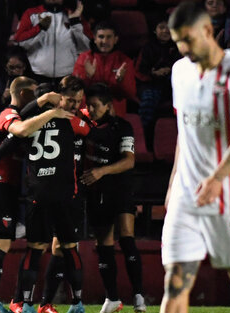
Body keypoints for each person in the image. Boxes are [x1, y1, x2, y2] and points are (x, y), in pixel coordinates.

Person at [161, 2, 230, 312]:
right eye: (178, 40)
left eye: (188, 39)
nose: (183, 47)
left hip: (229, 194)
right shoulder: (180, 71)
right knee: (175, 283)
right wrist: (173, 184)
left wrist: (217, 179)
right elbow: (184, 132)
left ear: (208, 30)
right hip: (186, 195)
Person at [0, 76, 74, 313]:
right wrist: (50, 112)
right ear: (23, 95)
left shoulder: (27, 117)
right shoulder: (8, 113)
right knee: (0, 242)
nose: (38, 97)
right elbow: (19, 130)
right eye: (34, 93)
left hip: (7, 186)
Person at [8, 75, 88, 313]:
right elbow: (88, 128)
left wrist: (42, 103)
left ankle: (27, 304)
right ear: (59, 97)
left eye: (79, 101)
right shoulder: (73, 122)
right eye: (72, 100)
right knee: (70, 247)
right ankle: (77, 304)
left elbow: (20, 123)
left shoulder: (31, 120)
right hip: (63, 194)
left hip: (37, 193)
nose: (75, 105)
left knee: (35, 249)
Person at [80, 83, 146, 313]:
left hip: (120, 187)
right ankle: (112, 298)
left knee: (127, 236)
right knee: (103, 243)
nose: (91, 109)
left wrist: (101, 171)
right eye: (88, 105)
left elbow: (129, 160)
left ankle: (138, 295)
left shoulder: (123, 127)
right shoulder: (85, 125)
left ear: (108, 106)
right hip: (97, 192)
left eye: (95, 105)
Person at [14, 0, 91, 86]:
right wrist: (40, 28)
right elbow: (20, 43)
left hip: (68, 77)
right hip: (38, 76)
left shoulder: (74, 14)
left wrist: (75, 21)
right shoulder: (32, 14)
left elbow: (86, 47)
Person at [73, 21, 136, 117]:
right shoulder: (85, 58)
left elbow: (130, 94)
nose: (105, 41)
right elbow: (76, 91)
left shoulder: (125, 61)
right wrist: (89, 77)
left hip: (115, 115)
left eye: (109, 37)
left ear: (115, 39)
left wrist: (120, 81)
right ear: (94, 39)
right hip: (88, 114)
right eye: (101, 37)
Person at [135, 17, 181, 149]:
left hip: (171, 85)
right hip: (150, 84)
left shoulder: (178, 48)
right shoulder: (147, 48)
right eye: (162, 27)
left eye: (169, 27)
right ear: (155, 30)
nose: (166, 30)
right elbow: (138, 71)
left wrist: (171, 71)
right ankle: (145, 141)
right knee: (149, 99)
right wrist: (153, 74)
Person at [0, 46, 32, 117]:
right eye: (11, 67)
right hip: (8, 119)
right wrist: (3, 98)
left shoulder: (32, 81)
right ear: (6, 67)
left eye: (18, 67)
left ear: (24, 66)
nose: (14, 70)